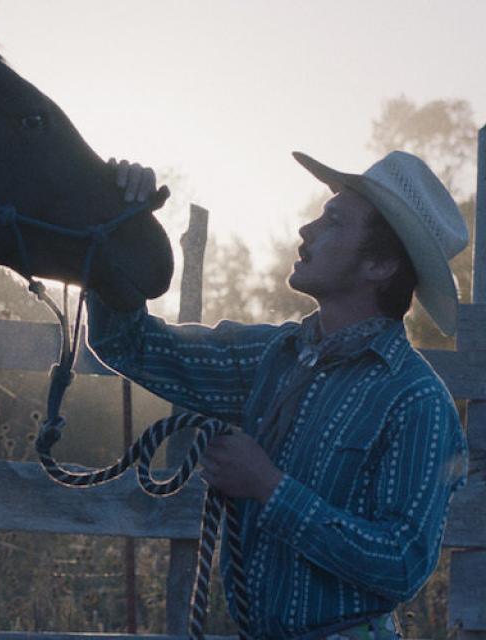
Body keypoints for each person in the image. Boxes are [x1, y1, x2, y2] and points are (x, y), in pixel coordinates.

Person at [88, 153, 470, 639]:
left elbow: (401, 564)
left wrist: (269, 487)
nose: (306, 230)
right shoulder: (271, 356)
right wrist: (114, 219)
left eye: (333, 221)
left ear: (380, 263)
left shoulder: (416, 401)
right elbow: (128, 344)